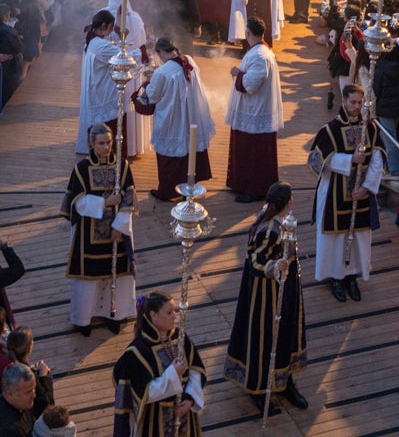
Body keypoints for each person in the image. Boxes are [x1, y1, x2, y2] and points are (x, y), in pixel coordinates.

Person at [223, 182, 307, 412]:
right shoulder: (269, 229)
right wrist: (275, 265)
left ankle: (283, 380)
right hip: (265, 293)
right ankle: (259, 387)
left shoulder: (281, 222)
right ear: (288, 201)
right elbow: (255, 260)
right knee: (264, 338)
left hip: (285, 287)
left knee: (285, 333)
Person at [308, 82, 383, 303]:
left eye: (360, 102)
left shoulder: (371, 128)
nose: (357, 106)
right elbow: (317, 162)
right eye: (353, 102)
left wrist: (367, 188)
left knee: (358, 236)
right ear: (343, 101)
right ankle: (335, 277)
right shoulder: (329, 130)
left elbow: (378, 160)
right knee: (335, 238)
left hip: (361, 195)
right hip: (334, 194)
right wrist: (351, 160)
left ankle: (352, 276)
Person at [60, 124, 135, 337]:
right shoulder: (81, 169)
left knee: (116, 275)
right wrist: (105, 202)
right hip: (87, 236)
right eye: (101, 143)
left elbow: (129, 198)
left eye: (109, 143)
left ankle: (115, 314)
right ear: (92, 144)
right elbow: (78, 202)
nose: (106, 147)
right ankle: (83, 318)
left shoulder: (123, 167)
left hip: (116, 235)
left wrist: (120, 227)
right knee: (88, 277)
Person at [113, 290, 205, 437]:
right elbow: (143, 394)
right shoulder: (137, 352)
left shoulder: (179, 337)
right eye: (169, 313)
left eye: (174, 311)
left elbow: (195, 370)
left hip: (184, 417)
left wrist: (190, 398)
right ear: (153, 315)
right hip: (155, 422)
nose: (174, 316)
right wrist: (174, 373)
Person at [139, 37, 215, 202]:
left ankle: (167, 190)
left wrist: (145, 86)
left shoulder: (162, 72)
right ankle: (188, 186)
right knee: (189, 148)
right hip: (192, 114)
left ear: (160, 52)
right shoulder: (190, 61)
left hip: (173, 117)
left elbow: (152, 95)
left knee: (171, 152)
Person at [225, 17, 284, 203]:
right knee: (250, 152)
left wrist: (237, 74)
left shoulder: (260, 55)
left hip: (255, 112)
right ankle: (242, 185)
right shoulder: (260, 51)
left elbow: (251, 84)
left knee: (253, 154)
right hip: (253, 111)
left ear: (248, 33)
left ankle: (254, 189)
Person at [76, 11, 121, 155]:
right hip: (101, 90)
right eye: (111, 27)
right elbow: (123, 57)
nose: (111, 31)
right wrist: (141, 51)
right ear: (103, 25)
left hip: (94, 85)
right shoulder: (100, 45)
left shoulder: (92, 39)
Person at [0, 362, 47, 437]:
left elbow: (44, 404)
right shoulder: (9, 430)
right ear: (9, 394)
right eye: (28, 392)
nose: (34, 395)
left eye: (34, 389)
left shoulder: (17, 403)